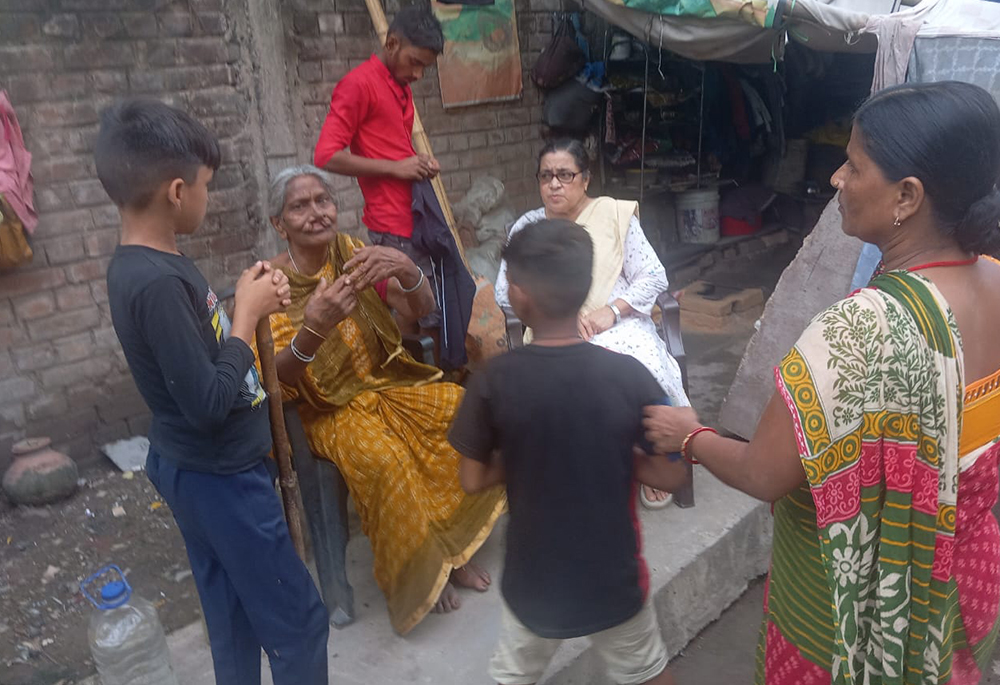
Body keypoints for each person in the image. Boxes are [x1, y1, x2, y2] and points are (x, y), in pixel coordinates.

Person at [643, 81, 1000, 685]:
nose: (836, 177)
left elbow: (765, 472)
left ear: (906, 196)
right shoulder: (993, 279)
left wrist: (691, 435)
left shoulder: (857, 332)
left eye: (854, 165)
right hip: (966, 593)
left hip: (850, 627)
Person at [99, 101, 329, 685]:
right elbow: (206, 402)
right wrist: (246, 318)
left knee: (232, 619)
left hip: (199, 469)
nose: (208, 195)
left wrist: (240, 305)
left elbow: (201, 356)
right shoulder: (153, 282)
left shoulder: (155, 261)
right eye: (206, 185)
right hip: (220, 475)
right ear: (177, 191)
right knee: (298, 623)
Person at [262, 164, 505, 635]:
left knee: (460, 411)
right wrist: (314, 327)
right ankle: (425, 570)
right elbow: (275, 382)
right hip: (326, 410)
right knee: (386, 458)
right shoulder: (270, 284)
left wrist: (410, 270)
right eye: (299, 206)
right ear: (279, 224)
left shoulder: (351, 252)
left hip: (384, 383)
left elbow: (424, 310)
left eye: (323, 200)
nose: (316, 212)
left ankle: (454, 552)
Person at [451, 218, 685, 685]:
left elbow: (472, 479)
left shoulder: (493, 381)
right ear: (585, 289)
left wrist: (521, 456)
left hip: (533, 584)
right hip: (613, 577)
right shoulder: (628, 375)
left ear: (517, 296)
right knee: (645, 671)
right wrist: (617, 456)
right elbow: (672, 476)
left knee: (513, 675)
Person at [495, 138, 688, 510]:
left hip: (618, 324)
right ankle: (588, 470)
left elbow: (652, 276)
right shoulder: (529, 227)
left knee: (640, 361)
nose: (554, 184)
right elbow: (506, 291)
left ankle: (650, 453)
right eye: (546, 176)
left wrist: (610, 312)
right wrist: (554, 314)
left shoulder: (613, 216)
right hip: (555, 329)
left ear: (585, 179)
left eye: (564, 175)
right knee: (561, 379)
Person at [314, 4, 444, 337]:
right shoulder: (357, 85)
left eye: (424, 68)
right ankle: (406, 374)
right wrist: (397, 168)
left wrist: (419, 163)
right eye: (415, 62)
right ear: (391, 45)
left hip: (417, 214)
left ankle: (426, 376)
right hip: (392, 226)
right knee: (414, 309)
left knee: (430, 307)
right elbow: (325, 155)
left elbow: (392, 146)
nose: (418, 74)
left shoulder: (400, 85)